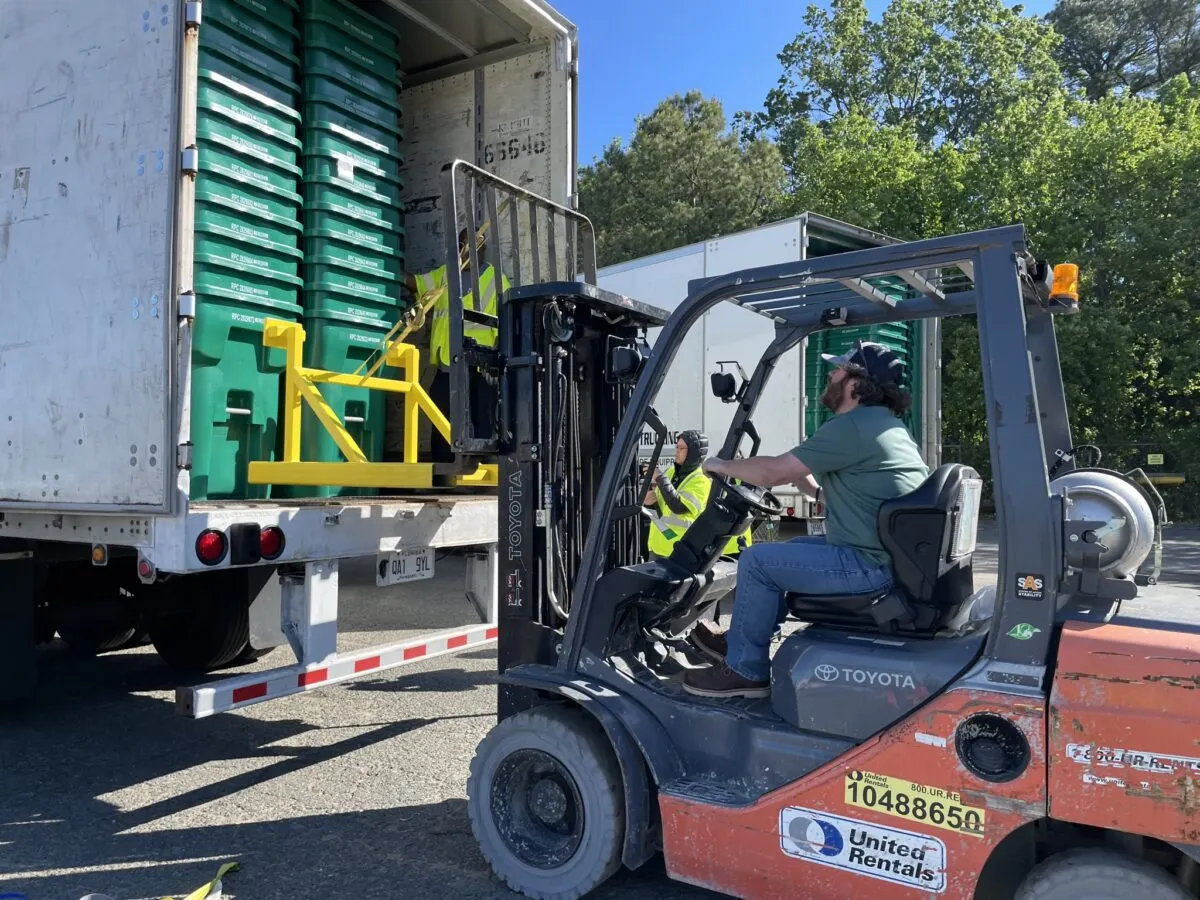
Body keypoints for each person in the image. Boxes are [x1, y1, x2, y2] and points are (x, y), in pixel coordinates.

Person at [679, 341, 930, 699]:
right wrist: (809, 487)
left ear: (856, 384)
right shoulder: (883, 426)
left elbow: (771, 472)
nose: (831, 375)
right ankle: (739, 642)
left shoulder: (854, 426)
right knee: (791, 549)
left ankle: (745, 671)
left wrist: (721, 466)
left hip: (870, 565)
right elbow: (857, 497)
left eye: (839, 370)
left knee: (756, 561)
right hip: (885, 557)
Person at [407, 229, 511, 462]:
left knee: (481, 417)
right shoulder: (446, 275)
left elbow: (507, 322)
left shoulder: (496, 280)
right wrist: (383, 265)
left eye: (471, 244)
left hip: (482, 365)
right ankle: (445, 472)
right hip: (448, 363)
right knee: (442, 416)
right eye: (461, 244)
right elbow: (416, 284)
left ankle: (480, 470)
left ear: (482, 248)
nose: (465, 249)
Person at [644, 430, 751, 560]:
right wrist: (650, 502)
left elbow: (679, 507)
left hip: (680, 549)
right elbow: (662, 507)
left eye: (681, 448)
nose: (676, 451)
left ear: (693, 452)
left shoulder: (701, 480)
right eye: (676, 446)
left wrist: (660, 477)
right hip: (659, 545)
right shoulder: (671, 472)